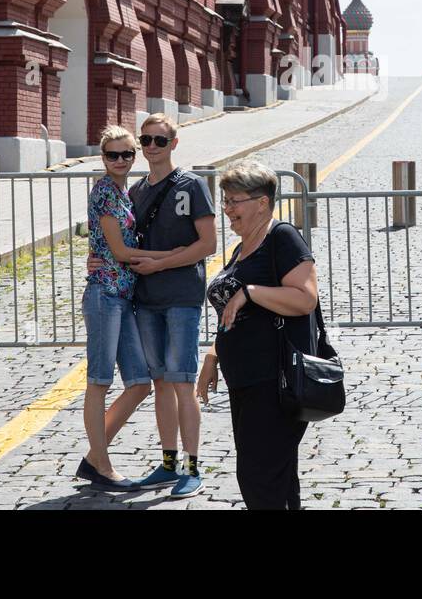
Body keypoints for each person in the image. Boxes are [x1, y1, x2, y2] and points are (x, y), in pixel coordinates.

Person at [199, 160, 319, 509]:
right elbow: (231, 313)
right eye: (225, 201)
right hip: (246, 381)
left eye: (234, 201)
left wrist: (251, 292)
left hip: (275, 379)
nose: (227, 209)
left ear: (262, 202)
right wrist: (213, 356)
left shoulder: (281, 237)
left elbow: (305, 298)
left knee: (258, 477)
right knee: (273, 478)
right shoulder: (241, 248)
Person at [76, 125, 184, 492]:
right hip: (104, 296)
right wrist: (169, 257)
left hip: (124, 298)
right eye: (112, 155)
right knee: (99, 381)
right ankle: (102, 466)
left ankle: (93, 457)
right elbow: (121, 253)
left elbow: (110, 247)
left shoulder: (126, 191)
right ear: (102, 158)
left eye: (127, 154)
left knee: (139, 383)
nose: (120, 160)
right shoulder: (106, 192)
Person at [127, 114, 216, 497]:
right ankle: (167, 464)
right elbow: (123, 244)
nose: (151, 148)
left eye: (159, 141)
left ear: (173, 144)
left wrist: (161, 262)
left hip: (181, 296)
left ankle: (192, 467)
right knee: (161, 382)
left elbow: (207, 244)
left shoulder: (192, 185)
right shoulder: (135, 192)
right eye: (145, 141)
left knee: (181, 381)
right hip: (146, 299)